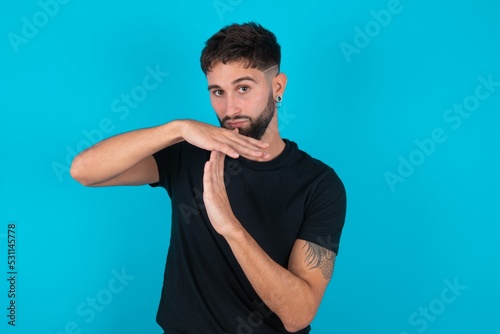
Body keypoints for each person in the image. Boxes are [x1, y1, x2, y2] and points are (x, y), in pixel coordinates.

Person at [71, 22, 347, 334]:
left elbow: (298, 315)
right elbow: (84, 171)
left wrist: (231, 228)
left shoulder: (319, 184)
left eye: (243, 88)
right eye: (218, 92)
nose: (230, 108)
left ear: (277, 87)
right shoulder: (188, 154)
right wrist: (178, 129)